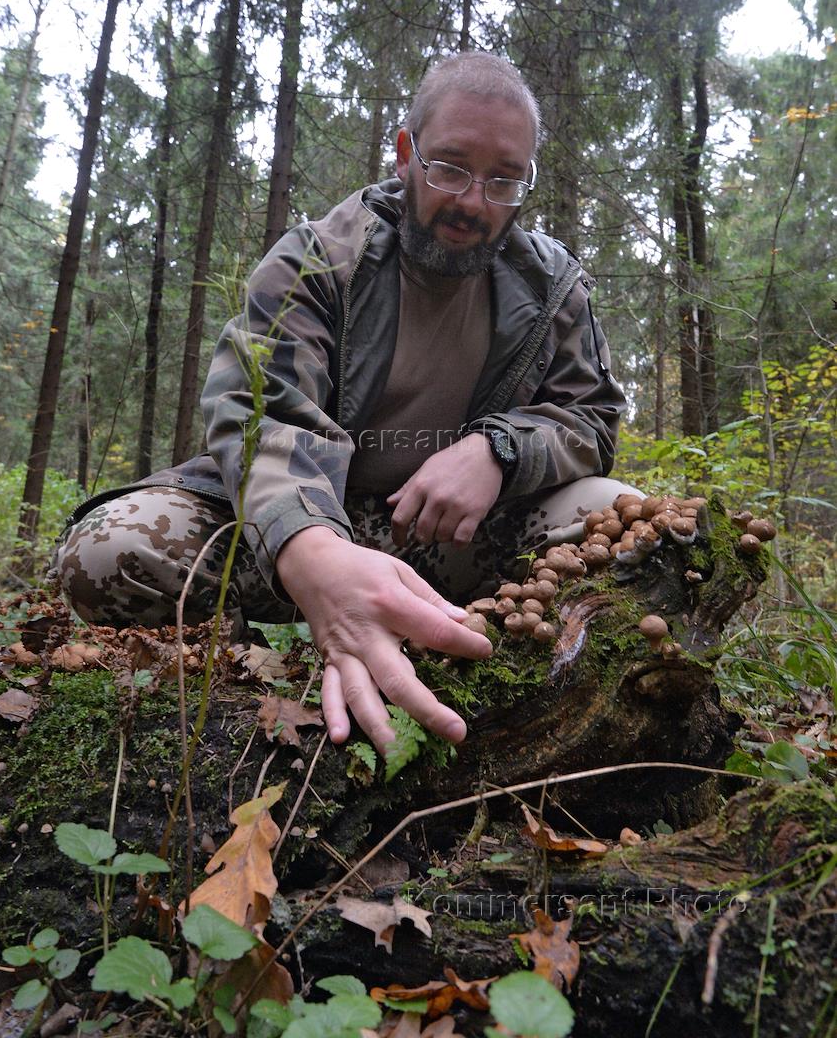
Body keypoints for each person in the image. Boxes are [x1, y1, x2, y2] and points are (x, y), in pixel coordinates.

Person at [54, 52, 632, 755]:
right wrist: (315, 556)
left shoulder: (549, 286)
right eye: (449, 166)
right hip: (300, 534)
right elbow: (264, 414)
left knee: (631, 528)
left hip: (448, 540)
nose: (474, 201)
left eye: (504, 180)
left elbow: (592, 418)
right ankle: (296, 644)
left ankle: (480, 657)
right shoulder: (318, 261)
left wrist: (498, 450)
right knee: (108, 548)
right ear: (404, 153)